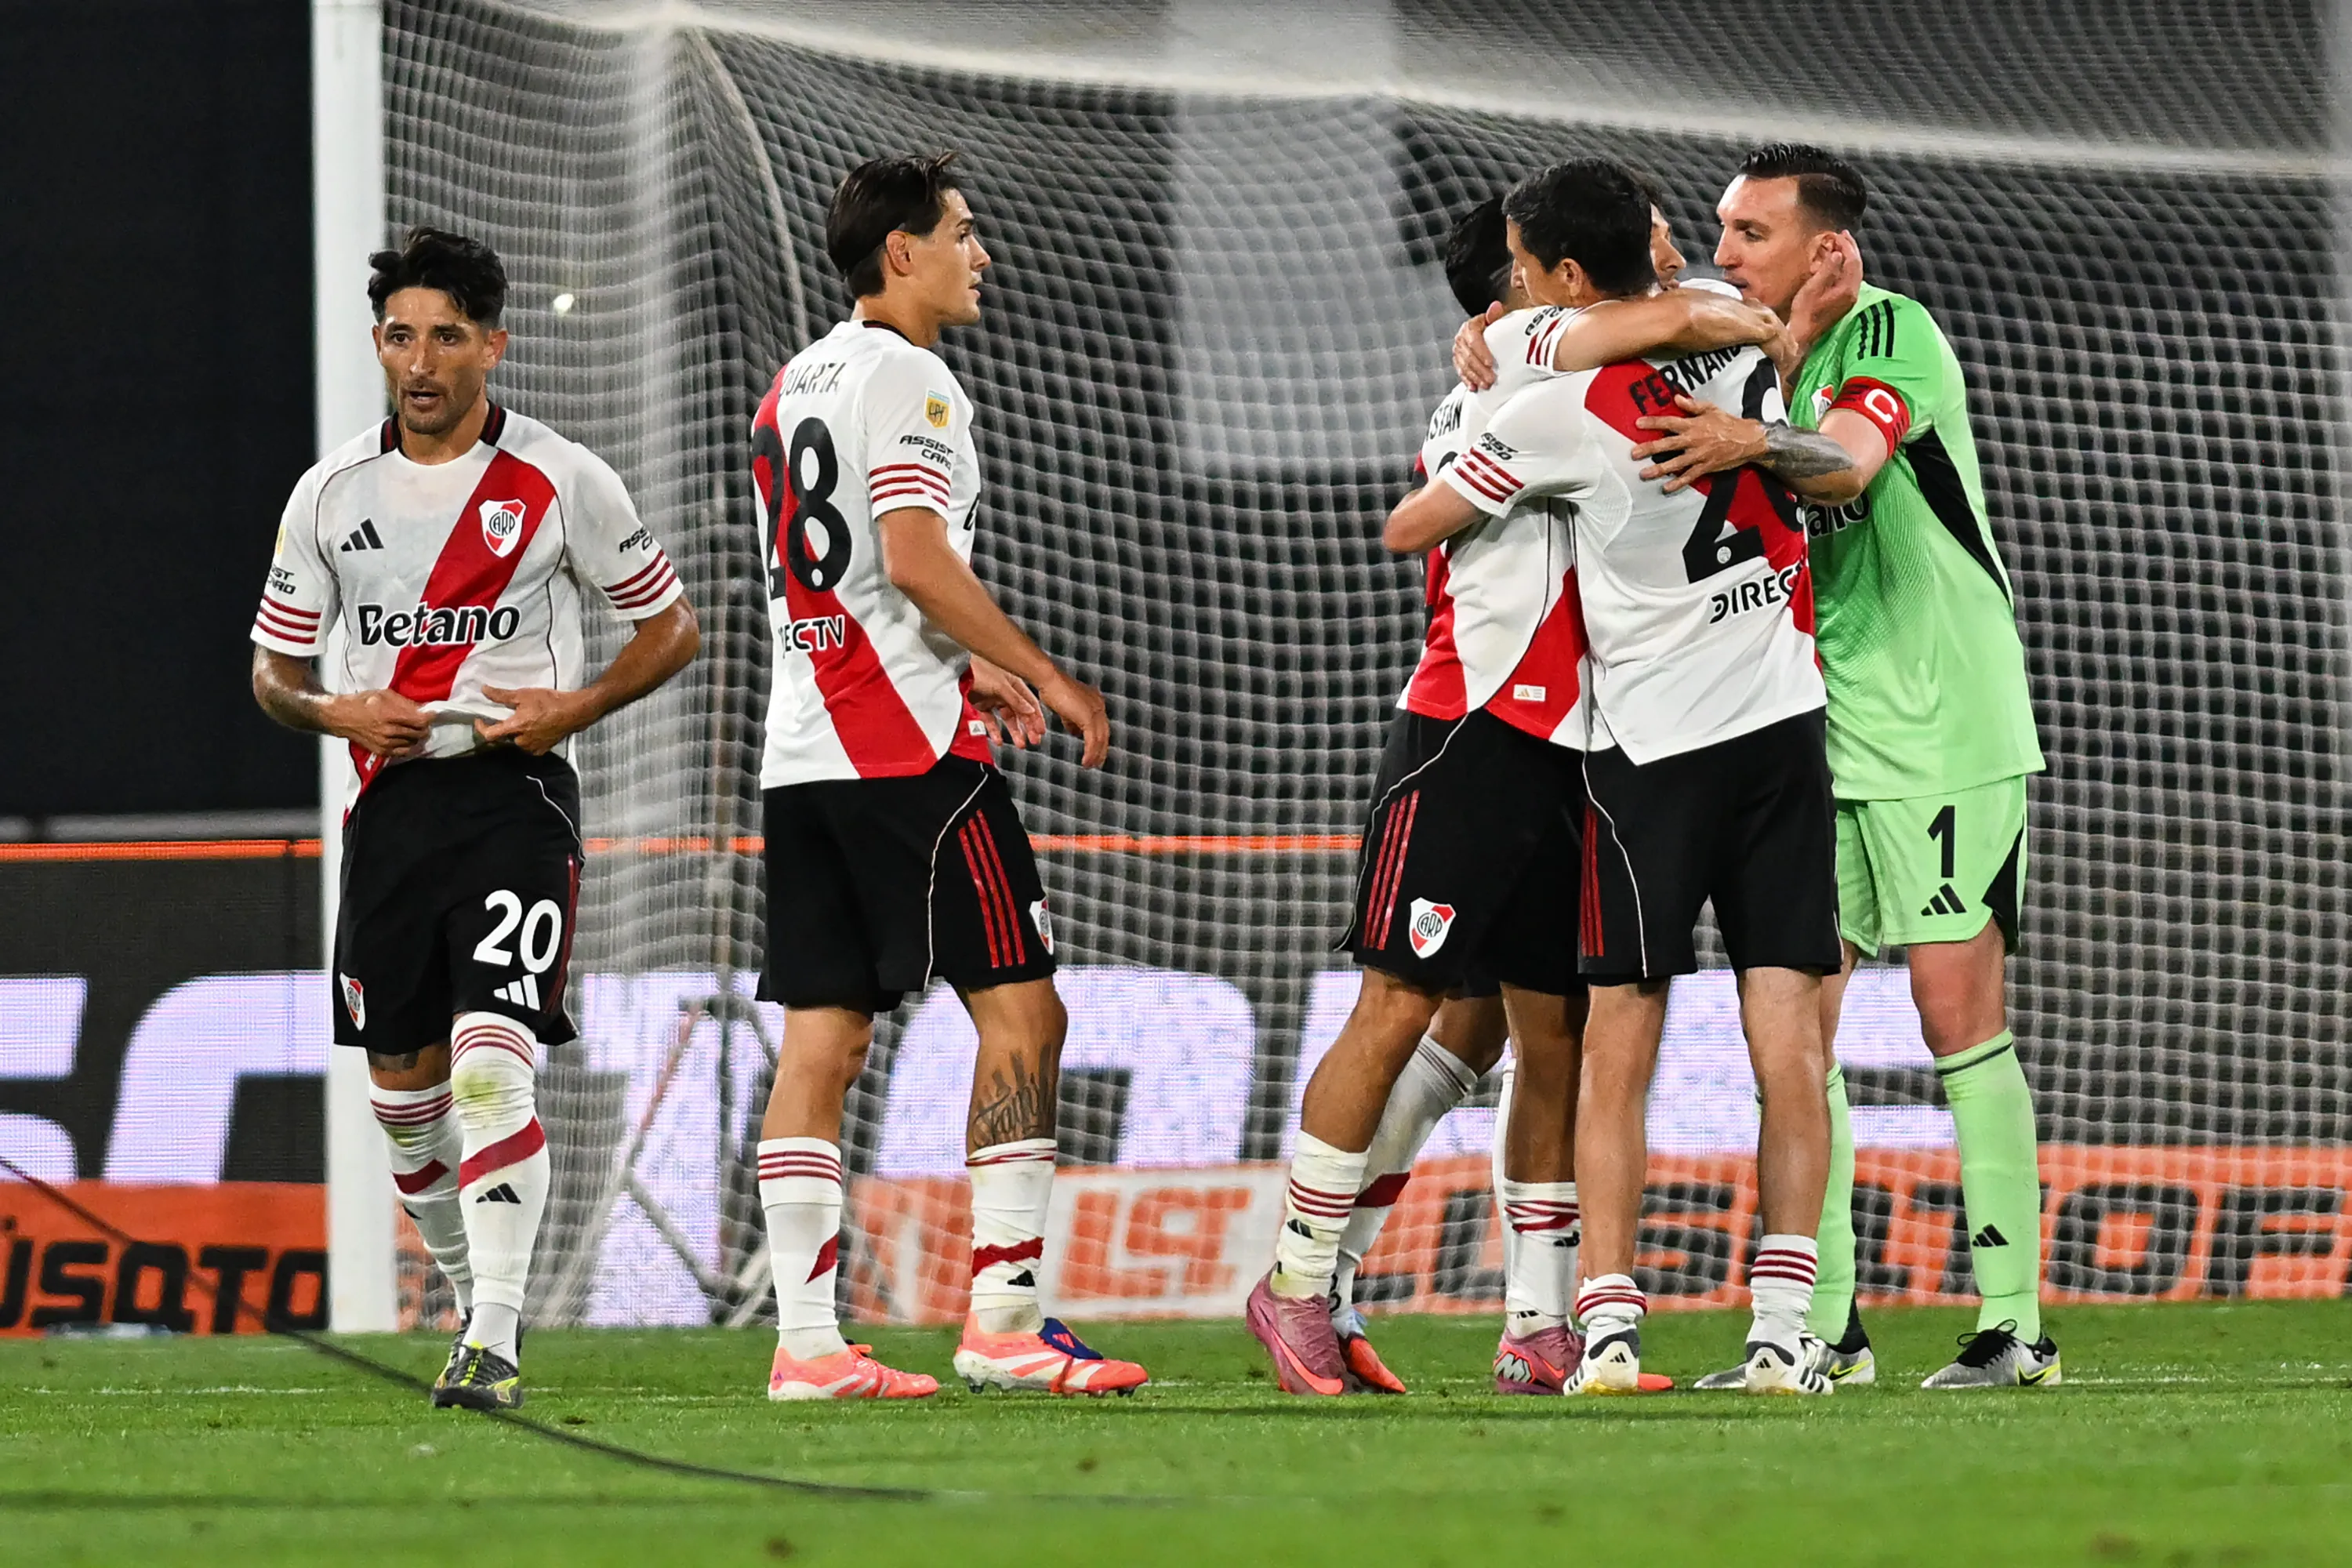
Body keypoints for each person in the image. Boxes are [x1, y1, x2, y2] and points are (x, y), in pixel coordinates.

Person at [1421, 157, 1861, 1396]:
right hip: (1775, 727)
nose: (1690, 237)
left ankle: (1608, 1330)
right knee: (1785, 1040)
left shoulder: (1551, 386)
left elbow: (1428, 504)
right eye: (1674, 224)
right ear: (1634, 252)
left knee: (1624, 1041)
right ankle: (1782, 1334)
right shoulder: (1736, 337)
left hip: (1649, 749)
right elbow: (1826, 460)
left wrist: (1492, 383)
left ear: (1558, 277)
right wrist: (1766, 420)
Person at [249, 227, 701, 1410]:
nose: (423, 360)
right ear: (379, 346)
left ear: (493, 344)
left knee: (495, 1065)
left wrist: (577, 706)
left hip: (516, 795)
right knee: (405, 1101)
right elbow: (271, 673)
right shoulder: (329, 492)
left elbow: (673, 627)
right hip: (391, 811)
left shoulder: (561, 478)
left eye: (448, 334)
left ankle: (495, 1335)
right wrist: (339, 707)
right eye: (402, 335)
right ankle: (465, 1297)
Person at [1632, 144, 2056, 1390]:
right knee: (1792, 1031)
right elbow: (1609, 308)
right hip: (1817, 732)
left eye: (1753, 232)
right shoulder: (1759, 352)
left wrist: (1755, 432)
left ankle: (2013, 1323)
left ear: (1827, 249)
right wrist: (1489, 334)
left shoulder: (1888, 335)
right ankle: (1824, 1328)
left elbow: (1850, 467)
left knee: (1953, 1018)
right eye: (1723, 228)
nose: (1727, 252)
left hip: (1941, 723)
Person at [747, 151, 1146, 1402]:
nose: (983, 256)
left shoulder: (792, 384)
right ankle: (1006, 1322)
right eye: (965, 233)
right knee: (1027, 1014)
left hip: (806, 749)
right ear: (901, 253)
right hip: (906, 758)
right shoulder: (913, 377)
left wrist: (966, 667)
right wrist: (1043, 668)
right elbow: (914, 559)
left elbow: (840, 581)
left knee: (822, 1040)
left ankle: (808, 1349)